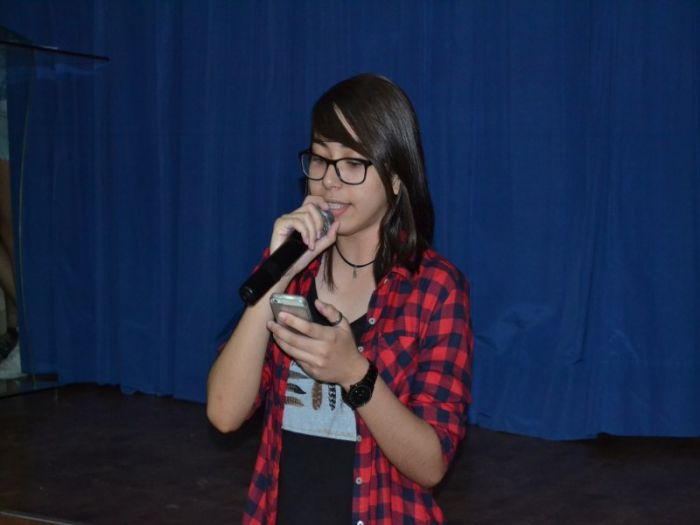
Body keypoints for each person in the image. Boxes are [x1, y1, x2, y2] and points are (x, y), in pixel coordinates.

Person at [207, 74, 473, 525]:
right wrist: (277, 274)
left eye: (352, 163)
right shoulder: (289, 270)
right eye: (320, 159)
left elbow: (431, 464)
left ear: (395, 177)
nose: (329, 181)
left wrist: (355, 373)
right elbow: (224, 413)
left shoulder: (435, 288)